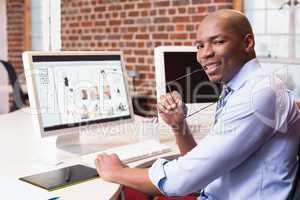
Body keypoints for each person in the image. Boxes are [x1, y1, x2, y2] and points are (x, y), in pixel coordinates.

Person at [94, 9, 300, 199]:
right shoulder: (242, 88)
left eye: (218, 42)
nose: (204, 54)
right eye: (200, 46)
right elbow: (202, 168)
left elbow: (181, 181)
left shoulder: (257, 95)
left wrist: (118, 172)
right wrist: (178, 124)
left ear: (247, 43)